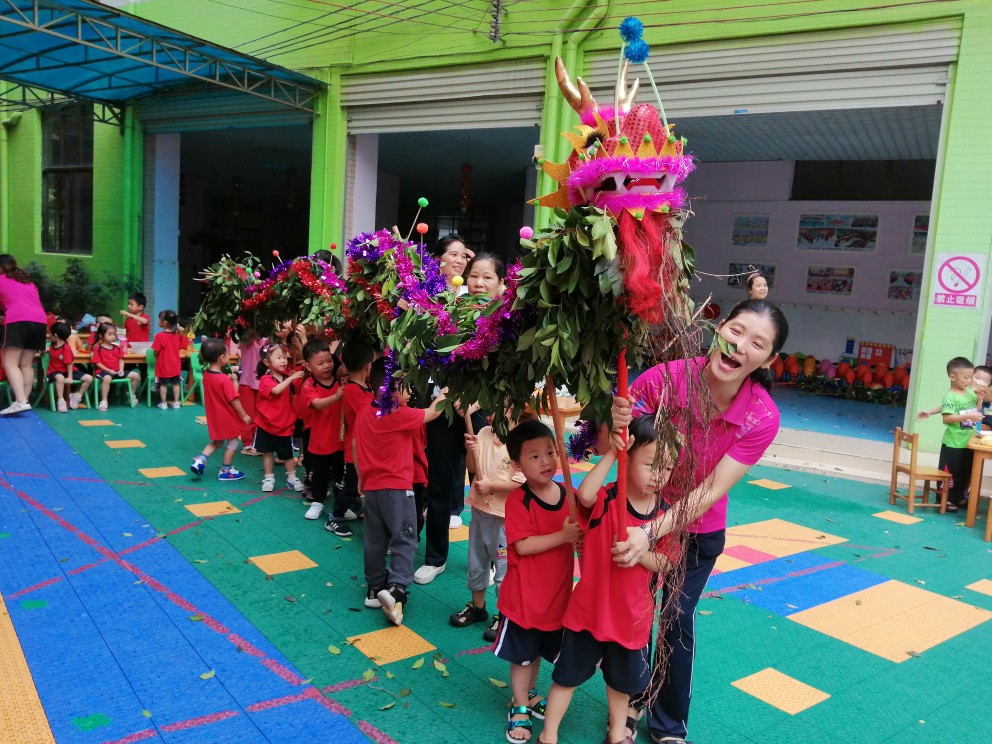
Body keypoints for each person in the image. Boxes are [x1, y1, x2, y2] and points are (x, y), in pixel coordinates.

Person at [610, 298, 789, 744]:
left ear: (769, 360)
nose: (740, 345)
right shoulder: (664, 380)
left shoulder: (762, 416)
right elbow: (616, 448)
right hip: (639, 514)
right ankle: (628, 706)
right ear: (719, 328)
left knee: (676, 620)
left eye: (757, 343)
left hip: (695, 532)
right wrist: (613, 424)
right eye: (736, 331)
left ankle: (669, 723)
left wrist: (650, 533)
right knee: (634, 614)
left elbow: (710, 491)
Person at [540, 416, 679, 744]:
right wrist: (613, 453)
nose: (659, 475)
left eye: (667, 467)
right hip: (588, 612)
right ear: (628, 458)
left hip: (630, 618)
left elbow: (666, 562)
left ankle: (617, 734)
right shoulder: (607, 498)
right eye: (650, 464)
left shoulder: (665, 516)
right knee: (566, 678)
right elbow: (585, 495)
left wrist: (638, 551)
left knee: (621, 684)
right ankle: (548, 734)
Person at [494, 419, 582, 744]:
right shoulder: (519, 501)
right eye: (534, 456)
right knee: (523, 656)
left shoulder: (568, 494)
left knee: (539, 653)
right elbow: (523, 546)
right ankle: (519, 704)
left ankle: (529, 694)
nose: (545, 461)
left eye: (549, 452)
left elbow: (582, 530)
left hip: (557, 598)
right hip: (524, 600)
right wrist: (564, 536)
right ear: (517, 465)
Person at [353, 359, 448, 625]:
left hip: (372, 490)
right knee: (405, 539)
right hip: (397, 491)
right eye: (406, 386)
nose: (411, 390)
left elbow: (355, 446)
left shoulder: (365, 413)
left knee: (375, 540)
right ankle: (397, 588)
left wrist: (361, 478)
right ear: (390, 390)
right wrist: (446, 393)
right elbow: (432, 413)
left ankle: (374, 588)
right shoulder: (396, 413)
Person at [449, 411, 529, 641]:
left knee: (503, 567)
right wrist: (471, 449)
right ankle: (478, 607)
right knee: (476, 561)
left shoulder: (520, 440)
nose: (491, 414)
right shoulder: (483, 432)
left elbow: (522, 483)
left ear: (513, 409)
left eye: (499, 408)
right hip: (479, 511)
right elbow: (471, 467)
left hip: (504, 519)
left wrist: (491, 485)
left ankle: (505, 614)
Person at [325, 341, 375, 537]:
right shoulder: (353, 391)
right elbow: (372, 414)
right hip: (356, 449)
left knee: (361, 484)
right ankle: (334, 517)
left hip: (365, 447)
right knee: (352, 486)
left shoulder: (364, 387)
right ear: (367, 366)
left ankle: (363, 510)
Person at [191, 338, 252, 481]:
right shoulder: (223, 379)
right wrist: (244, 415)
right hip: (227, 417)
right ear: (221, 358)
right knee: (232, 443)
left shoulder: (207, 375)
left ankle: (200, 460)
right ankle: (226, 470)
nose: (229, 356)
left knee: (217, 442)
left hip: (215, 417)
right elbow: (233, 398)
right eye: (227, 354)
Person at [930, 357, 983, 512]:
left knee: (964, 472)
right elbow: (947, 418)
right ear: (953, 377)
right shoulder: (950, 396)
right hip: (953, 443)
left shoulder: (969, 392)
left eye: (971, 377)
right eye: (965, 378)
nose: (969, 381)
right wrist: (968, 416)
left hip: (968, 441)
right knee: (949, 472)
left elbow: (976, 411)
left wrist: (979, 401)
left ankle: (958, 497)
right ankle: (944, 499)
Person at [301, 339, 345, 521]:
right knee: (320, 475)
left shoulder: (340, 381)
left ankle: (341, 506)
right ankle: (317, 502)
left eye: (329, 360)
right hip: (320, 441)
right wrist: (336, 396)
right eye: (320, 363)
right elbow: (317, 404)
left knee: (340, 475)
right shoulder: (309, 385)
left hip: (340, 441)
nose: (327, 365)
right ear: (308, 366)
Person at [254, 343, 305, 493]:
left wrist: (301, 374)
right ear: (267, 362)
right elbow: (276, 390)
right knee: (267, 453)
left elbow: (298, 387)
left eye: (284, 357)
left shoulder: (288, 377)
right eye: (278, 357)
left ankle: (292, 478)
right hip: (266, 424)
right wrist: (291, 378)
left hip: (284, 424)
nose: (283, 360)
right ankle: (269, 478)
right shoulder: (266, 379)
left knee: (288, 454)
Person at [0, 254, 48, 414]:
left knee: (9, 363)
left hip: (18, 320)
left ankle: (20, 401)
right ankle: (24, 401)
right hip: (39, 321)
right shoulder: (28, 282)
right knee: (26, 364)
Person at [917, 364, 992, 432]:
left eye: (985, 380)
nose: (980, 381)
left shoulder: (983, 394)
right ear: (970, 377)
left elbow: (989, 398)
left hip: (973, 431)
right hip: (957, 431)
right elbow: (948, 406)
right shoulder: (962, 391)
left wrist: (984, 387)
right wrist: (930, 411)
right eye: (977, 378)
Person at [91, 322, 140, 411]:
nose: (113, 337)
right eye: (110, 334)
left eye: (114, 334)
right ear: (101, 336)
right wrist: (108, 370)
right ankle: (104, 400)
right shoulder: (98, 348)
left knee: (136, 375)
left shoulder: (117, 348)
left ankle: (131, 394)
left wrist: (121, 370)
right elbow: (97, 363)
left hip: (116, 371)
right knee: (107, 378)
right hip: (103, 371)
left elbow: (121, 359)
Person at [47, 321, 93, 412]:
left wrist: (70, 377)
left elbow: (69, 363)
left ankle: (77, 396)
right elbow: (49, 350)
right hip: (54, 371)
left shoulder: (66, 348)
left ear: (55, 335)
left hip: (67, 371)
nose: (49, 336)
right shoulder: (52, 345)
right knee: (60, 378)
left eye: (50, 334)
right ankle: (61, 401)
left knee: (89, 378)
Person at [237, 328, 266, 456]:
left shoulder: (263, 341)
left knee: (258, 414)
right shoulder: (246, 341)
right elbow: (247, 338)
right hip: (247, 383)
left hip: (260, 383)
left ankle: (255, 442)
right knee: (248, 415)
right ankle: (247, 444)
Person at [152, 310, 184, 410]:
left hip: (164, 365)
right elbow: (181, 343)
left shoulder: (159, 336)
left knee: (163, 384)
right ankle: (176, 402)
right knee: (176, 383)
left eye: (160, 319)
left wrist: (156, 354)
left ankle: (163, 403)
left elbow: (156, 351)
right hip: (175, 365)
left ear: (164, 323)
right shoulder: (177, 335)